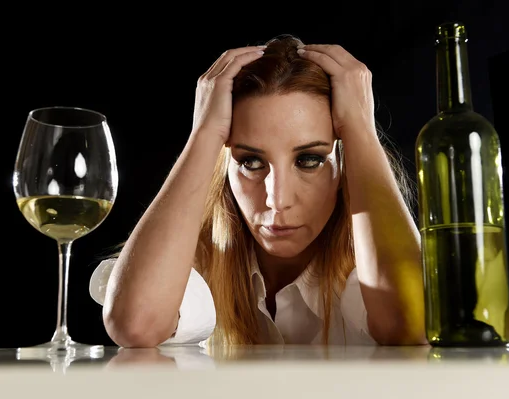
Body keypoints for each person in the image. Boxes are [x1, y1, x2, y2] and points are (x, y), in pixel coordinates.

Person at [89, 35, 426, 348]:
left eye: (309, 160)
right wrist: (204, 132)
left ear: (345, 163)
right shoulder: (193, 264)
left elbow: (411, 325)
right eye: (250, 161)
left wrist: (361, 129)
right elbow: (136, 324)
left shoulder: (366, 272)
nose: (277, 200)